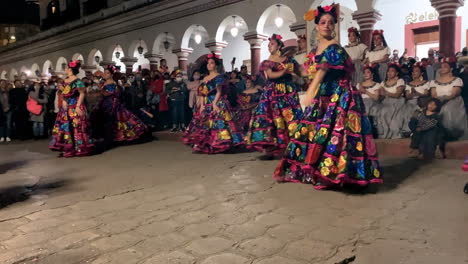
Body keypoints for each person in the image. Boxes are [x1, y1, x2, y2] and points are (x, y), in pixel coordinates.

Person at [274, 5, 382, 189]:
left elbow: (323, 70)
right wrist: (290, 65)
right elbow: (308, 72)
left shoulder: (335, 48)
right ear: (316, 26)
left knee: (338, 134)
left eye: (331, 23)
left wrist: (310, 91)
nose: (327, 25)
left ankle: (339, 173)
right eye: (323, 22)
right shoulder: (314, 51)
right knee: (315, 133)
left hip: (340, 95)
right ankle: (318, 170)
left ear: (334, 26)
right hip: (323, 95)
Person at [245, 34, 303, 159]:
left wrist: (311, 70)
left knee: (290, 117)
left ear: (279, 45)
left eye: (272, 44)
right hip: (273, 92)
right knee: (271, 118)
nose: (269, 47)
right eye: (268, 45)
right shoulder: (267, 62)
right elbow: (270, 75)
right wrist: (284, 71)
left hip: (288, 92)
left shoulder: (289, 60)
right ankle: (271, 147)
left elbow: (301, 72)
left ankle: (294, 146)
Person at [183, 52, 243, 153]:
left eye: (211, 63)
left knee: (218, 123)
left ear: (216, 65)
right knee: (204, 124)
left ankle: (219, 144)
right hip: (205, 102)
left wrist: (215, 103)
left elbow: (219, 92)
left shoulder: (219, 77)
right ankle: (206, 144)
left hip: (216, 101)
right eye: (208, 63)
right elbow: (202, 93)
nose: (209, 65)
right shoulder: (205, 78)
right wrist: (201, 105)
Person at [50, 60, 94, 157]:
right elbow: (63, 93)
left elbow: (82, 93)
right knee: (66, 126)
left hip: (75, 104)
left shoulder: (77, 81)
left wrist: (78, 106)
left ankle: (79, 148)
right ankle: (68, 148)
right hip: (66, 106)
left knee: (76, 126)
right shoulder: (65, 81)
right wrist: (64, 101)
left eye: (66, 68)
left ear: (70, 69)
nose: (65, 69)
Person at [99, 65, 148, 147]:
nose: (105, 74)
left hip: (111, 103)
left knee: (118, 118)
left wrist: (100, 91)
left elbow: (110, 93)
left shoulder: (112, 82)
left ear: (111, 74)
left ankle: (118, 136)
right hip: (106, 102)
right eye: (105, 73)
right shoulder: (105, 82)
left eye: (107, 73)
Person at [430, 57, 468, 140]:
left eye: (445, 66)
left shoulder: (457, 80)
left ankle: (450, 134)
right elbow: (433, 94)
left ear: (451, 69)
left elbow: (454, 93)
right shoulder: (433, 82)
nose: (442, 68)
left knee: (446, 109)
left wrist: (444, 99)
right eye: (441, 66)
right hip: (438, 101)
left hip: (453, 101)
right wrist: (439, 100)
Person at [378, 64, 406, 139]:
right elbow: (380, 95)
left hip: (397, 101)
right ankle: (384, 133)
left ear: (397, 73)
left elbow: (397, 95)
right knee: (380, 110)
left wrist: (386, 93)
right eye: (388, 71)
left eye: (392, 71)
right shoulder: (383, 83)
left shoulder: (400, 81)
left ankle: (394, 134)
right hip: (385, 102)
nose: (389, 73)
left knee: (388, 110)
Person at [358, 67, 382, 136]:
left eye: (368, 72)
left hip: (372, 102)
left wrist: (365, 91)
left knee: (367, 104)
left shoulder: (377, 85)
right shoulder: (359, 85)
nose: (365, 74)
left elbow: (376, 98)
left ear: (372, 74)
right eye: (364, 72)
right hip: (361, 102)